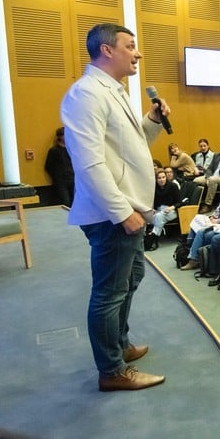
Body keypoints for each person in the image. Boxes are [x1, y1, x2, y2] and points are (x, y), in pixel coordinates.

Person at [60, 22, 169, 391]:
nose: (137, 53)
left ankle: (119, 345)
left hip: (127, 209)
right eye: (130, 46)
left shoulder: (114, 91)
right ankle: (112, 371)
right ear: (107, 50)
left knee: (130, 280)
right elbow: (91, 163)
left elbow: (128, 148)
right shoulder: (87, 94)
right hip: (113, 215)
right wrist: (122, 213)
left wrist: (152, 121)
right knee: (109, 293)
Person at [181, 179, 220, 271]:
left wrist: (217, 221)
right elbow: (217, 211)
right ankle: (189, 248)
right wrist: (211, 216)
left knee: (201, 232)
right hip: (216, 221)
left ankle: (194, 259)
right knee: (197, 221)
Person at [45, 126, 74, 207]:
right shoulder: (54, 151)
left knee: (75, 201)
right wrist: (57, 176)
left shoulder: (71, 149)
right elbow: (48, 166)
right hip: (61, 181)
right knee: (65, 202)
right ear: (60, 137)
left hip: (72, 178)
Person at [149, 169, 181, 238]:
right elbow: (153, 202)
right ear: (156, 179)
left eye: (163, 177)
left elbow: (180, 202)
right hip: (158, 210)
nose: (162, 180)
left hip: (172, 210)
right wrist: (153, 209)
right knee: (156, 216)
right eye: (159, 178)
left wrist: (171, 207)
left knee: (159, 216)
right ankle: (153, 235)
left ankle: (153, 236)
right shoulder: (154, 188)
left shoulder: (173, 186)